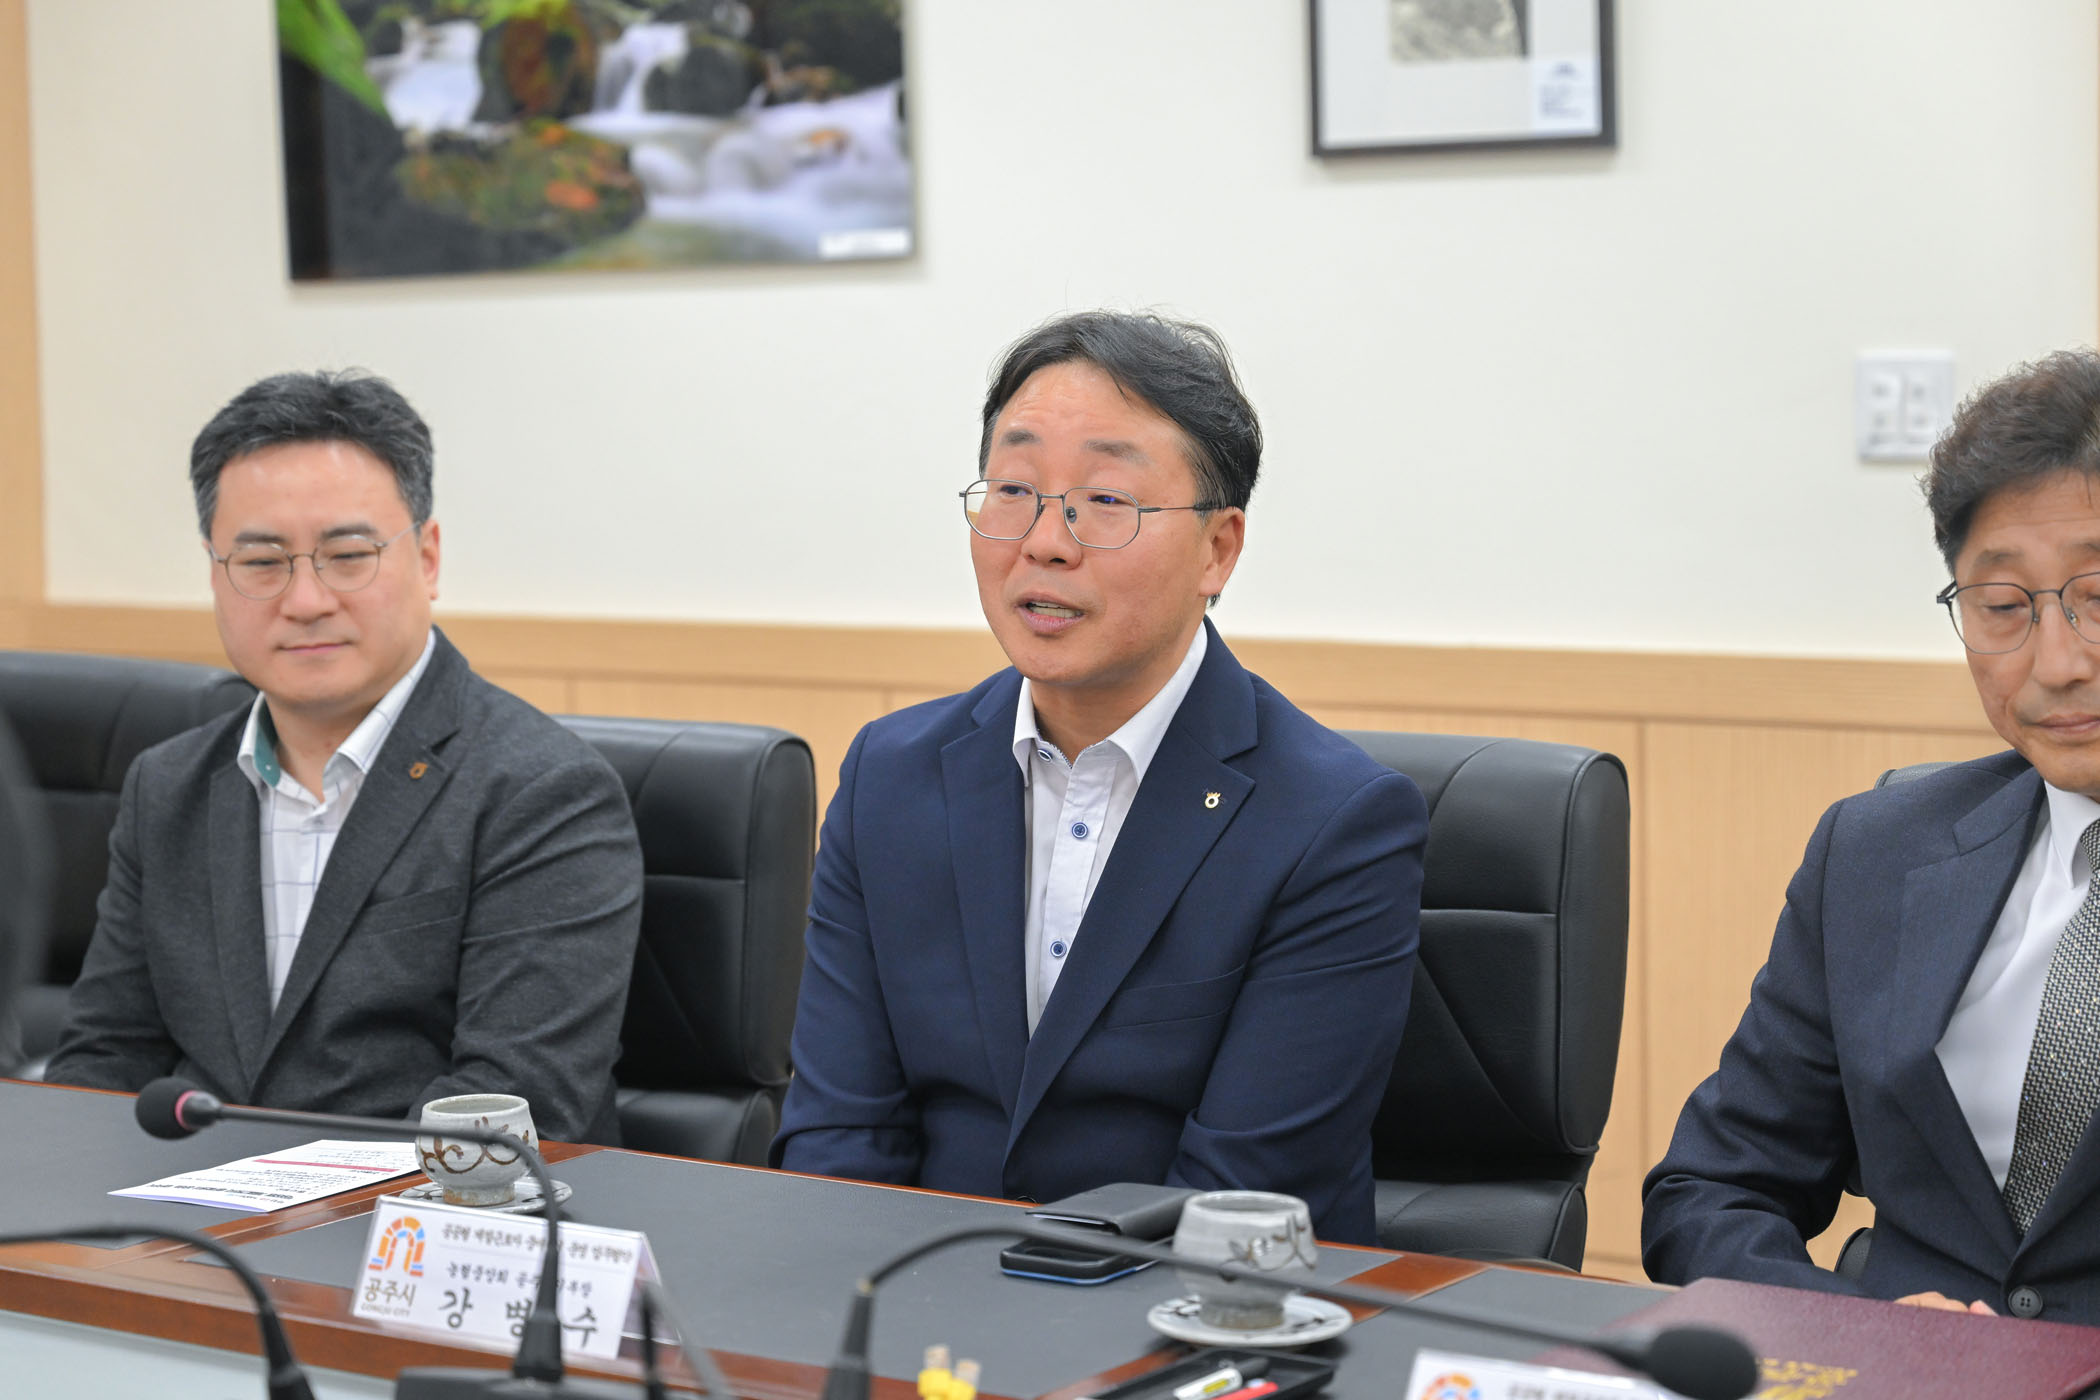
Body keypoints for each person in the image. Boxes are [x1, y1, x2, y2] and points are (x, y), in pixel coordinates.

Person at [769, 311, 1426, 1243]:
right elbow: (839, 1141)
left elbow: (1244, 1199)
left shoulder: (1334, 822)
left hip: (1187, 1311)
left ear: (1217, 550)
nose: (1045, 541)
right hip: (906, 1300)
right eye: (1014, 489)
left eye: (1106, 500)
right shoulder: (891, 775)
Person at [45, 370, 642, 1143]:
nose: (305, 601)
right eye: (261, 563)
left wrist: (278, 1199)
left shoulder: (543, 791)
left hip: (423, 1212)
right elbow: (103, 1062)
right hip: (181, 1209)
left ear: (428, 558)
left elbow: (510, 1104)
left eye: (348, 554)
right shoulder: (168, 785)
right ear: (215, 572)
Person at [1644, 349, 2100, 1326]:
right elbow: (1711, 1191)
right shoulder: (1878, 852)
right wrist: (1869, 1335)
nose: (2058, 661)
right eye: (2004, 607)